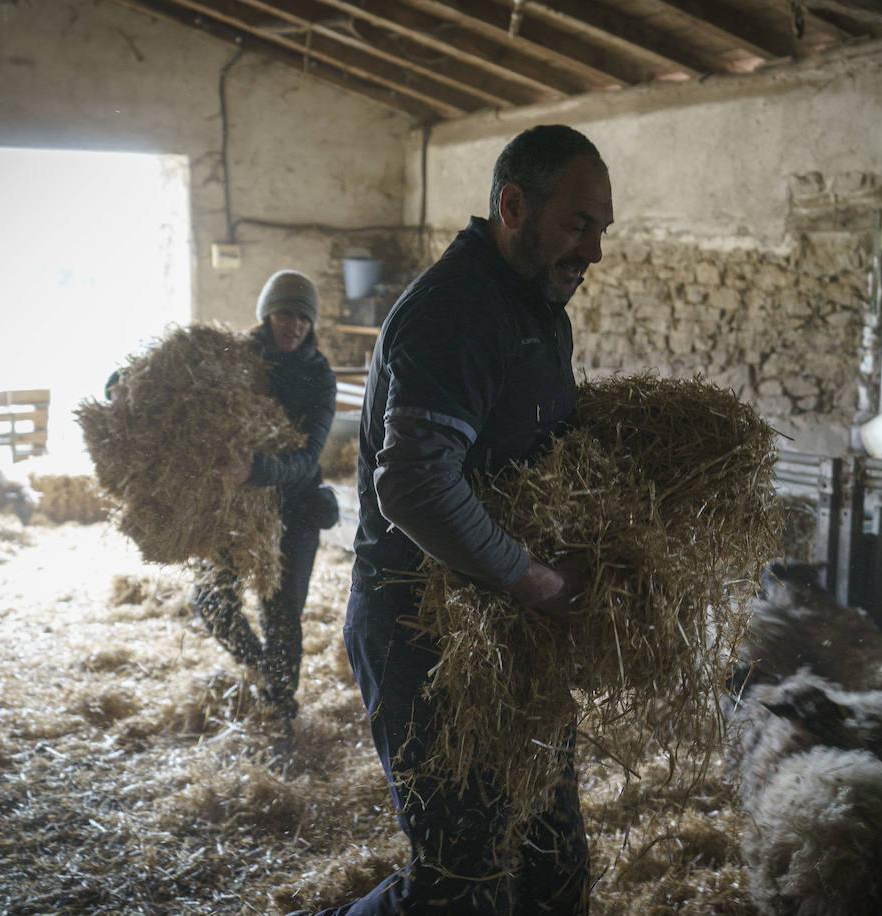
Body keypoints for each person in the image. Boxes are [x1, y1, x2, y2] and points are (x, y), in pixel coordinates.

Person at [310, 125, 613, 915]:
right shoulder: (457, 310)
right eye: (580, 225)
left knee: (553, 864)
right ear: (514, 205)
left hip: (503, 623)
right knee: (461, 882)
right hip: (424, 629)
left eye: (602, 231)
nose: (596, 252)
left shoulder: (538, 309)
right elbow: (411, 484)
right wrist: (537, 580)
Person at [191, 269, 338, 747]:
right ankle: (258, 668)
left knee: (281, 614)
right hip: (237, 510)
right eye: (284, 313)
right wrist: (122, 386)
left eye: (302, 316)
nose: (293, 324)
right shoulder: (237, 357)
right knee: (212, 603)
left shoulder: (318, 375)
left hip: (294, 506)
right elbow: (173, 372)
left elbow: (305, 458)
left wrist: (254, 470)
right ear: (266, 314)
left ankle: (281, 710)